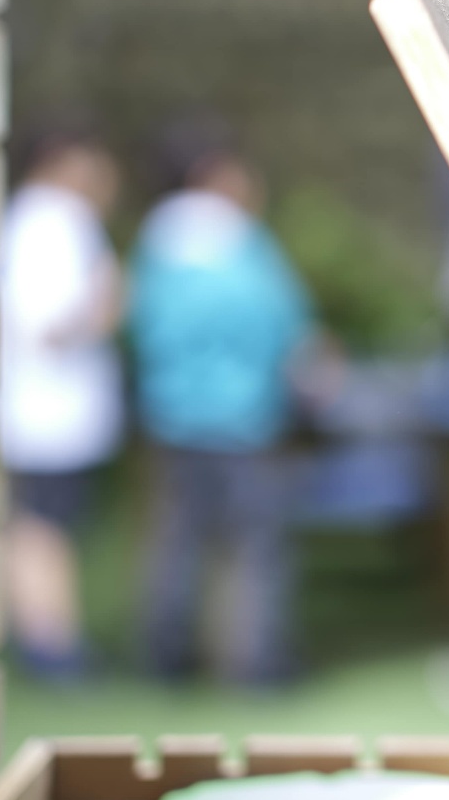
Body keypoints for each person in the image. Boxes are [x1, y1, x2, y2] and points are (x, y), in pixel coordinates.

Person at [130, 132, 314, 684]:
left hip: (172, 414)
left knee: (176, 542)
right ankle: (255, 662)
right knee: (255, 545)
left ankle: (166, 655)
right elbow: (284, 325)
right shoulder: (242, 240)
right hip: (246, 416)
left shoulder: (154, 241)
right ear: (215, 171)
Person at [0, 126, 126, 678]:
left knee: (39, 522)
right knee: (40, 525)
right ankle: (50, 644)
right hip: (47, 413)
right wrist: (107, 304)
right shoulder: (55, 223)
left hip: (40, 410)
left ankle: (49, 637)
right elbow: (49, 324)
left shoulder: (34, 218)